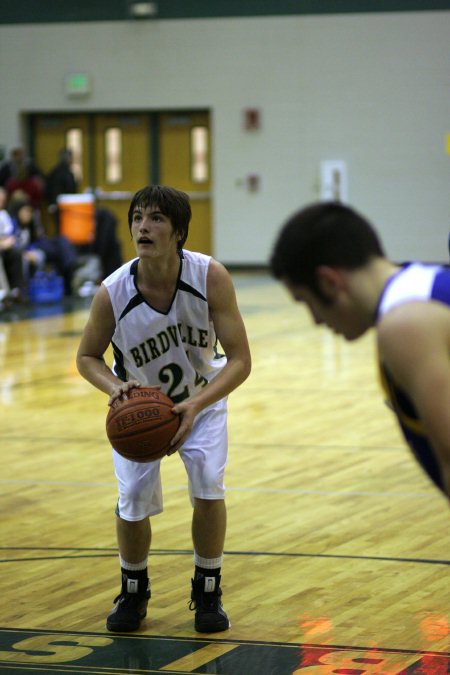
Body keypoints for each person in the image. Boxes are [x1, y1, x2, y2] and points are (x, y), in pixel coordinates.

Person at [76, 185, 251, 634]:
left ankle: (208, 589)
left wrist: (195, 404)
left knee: (209, 484)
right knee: (133, 500)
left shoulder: (210, 276)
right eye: (137, 218)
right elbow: (87, 357)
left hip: (201, 401)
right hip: (141, 408)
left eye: (155, 219)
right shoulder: (112, 291)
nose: (142, 227)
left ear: (179, 232)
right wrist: (116, 388)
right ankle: (133, 592)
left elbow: (240, 360)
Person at [270, 201, 450, 500]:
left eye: (305, 301)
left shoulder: (404, 323)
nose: (315, 320)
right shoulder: (426, 286)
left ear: (329, 282)